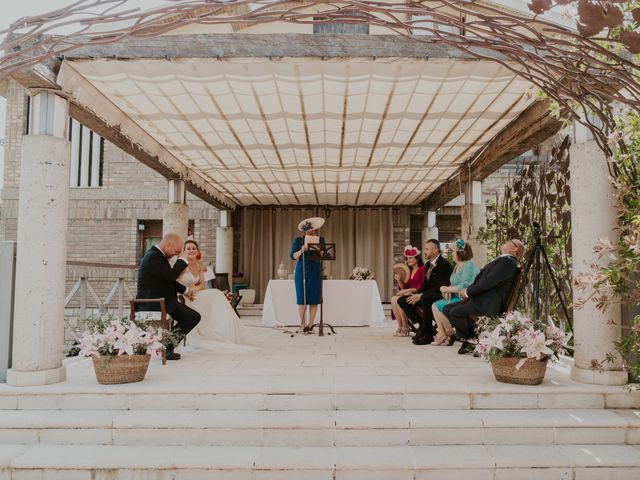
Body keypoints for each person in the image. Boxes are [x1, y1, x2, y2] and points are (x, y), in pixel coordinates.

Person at [443, 238, 525, 354]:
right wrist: (469, 293)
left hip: (488, 302)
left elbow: (489, 281)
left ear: (515, 248)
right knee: (447, 308)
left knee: (455, 311)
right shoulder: (505, 260)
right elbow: (485, 281)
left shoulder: (507, 262)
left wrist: (467, 292)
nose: (505, 242)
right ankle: (472, 337)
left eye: (509, 242)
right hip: (481, 299)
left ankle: (470, 339)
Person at [136, 233, 201, 361]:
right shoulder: (153, 257)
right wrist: (182, 260)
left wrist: (186, 290)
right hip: (153, 303)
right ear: (168, 245)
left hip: (163, 301)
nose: (176, 255)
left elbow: (167, 280)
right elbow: (171, 276)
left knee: (193, 317)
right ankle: (167, 347)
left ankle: (167, 346)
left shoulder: (158, 256)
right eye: (176, 251)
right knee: (191, 317)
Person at [176, 240, 246, 347]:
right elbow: (174, 283)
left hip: (194, 294)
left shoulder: (199, 266)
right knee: (213, 295)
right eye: (188, 248)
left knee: (216, 293)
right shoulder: (181, 265)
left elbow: (202, 285)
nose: (191, 250)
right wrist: (186, 291)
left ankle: (223, 326)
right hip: (182, 296)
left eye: (194, 248)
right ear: (184, 251)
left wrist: (193, 290)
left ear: (197, 251)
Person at [397, 239, 452, 345]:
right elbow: (425, 285)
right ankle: (424, 327)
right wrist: (416, 293)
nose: (425, 251)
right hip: (428, 294)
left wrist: (421, 295)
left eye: (427, 249)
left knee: (426, 298)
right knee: (403, 300)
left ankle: (427, 334)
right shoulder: (428, 265)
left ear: (435, 250)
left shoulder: (444, 264)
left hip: (440, 295)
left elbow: (440, 286)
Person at [432, 239, 480, 345]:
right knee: (435, 305)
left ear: (460, 253)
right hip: (455, 296)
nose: (451, 253)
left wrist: (446, 289)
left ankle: (447, 332)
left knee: (436, 306)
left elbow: (465, 285)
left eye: (453, 251)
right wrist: (448, 289)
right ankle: (444, 332)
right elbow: (454, 283)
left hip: (465, 298)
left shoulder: (469, 266)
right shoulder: (458, 265)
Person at [290, 217, 325, 333]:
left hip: (315, 270)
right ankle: (302, 325)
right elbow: (293, 256)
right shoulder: (298, 240)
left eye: (313, 230)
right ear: (304, 231)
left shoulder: (320, 239)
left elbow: (324, 254)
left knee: (314, 299)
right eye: (309, 230)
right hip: (302, 271)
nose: (311, 232)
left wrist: (320, 250)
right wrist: (303, 249)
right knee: (301, 299)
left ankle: (311, 325)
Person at [390, 246, 425, 337]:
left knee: (399, 299)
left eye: (410, 258)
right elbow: (403, 287)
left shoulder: (422, 269)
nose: (408, 260)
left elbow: (422, 285)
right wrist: (399, 280)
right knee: (393, 299)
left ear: (417, 258)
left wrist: (407, 290)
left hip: (418, 293)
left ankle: (406, 326)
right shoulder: (409, 271)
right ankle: (400, 325)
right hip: (408, 293)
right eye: (407, 258)